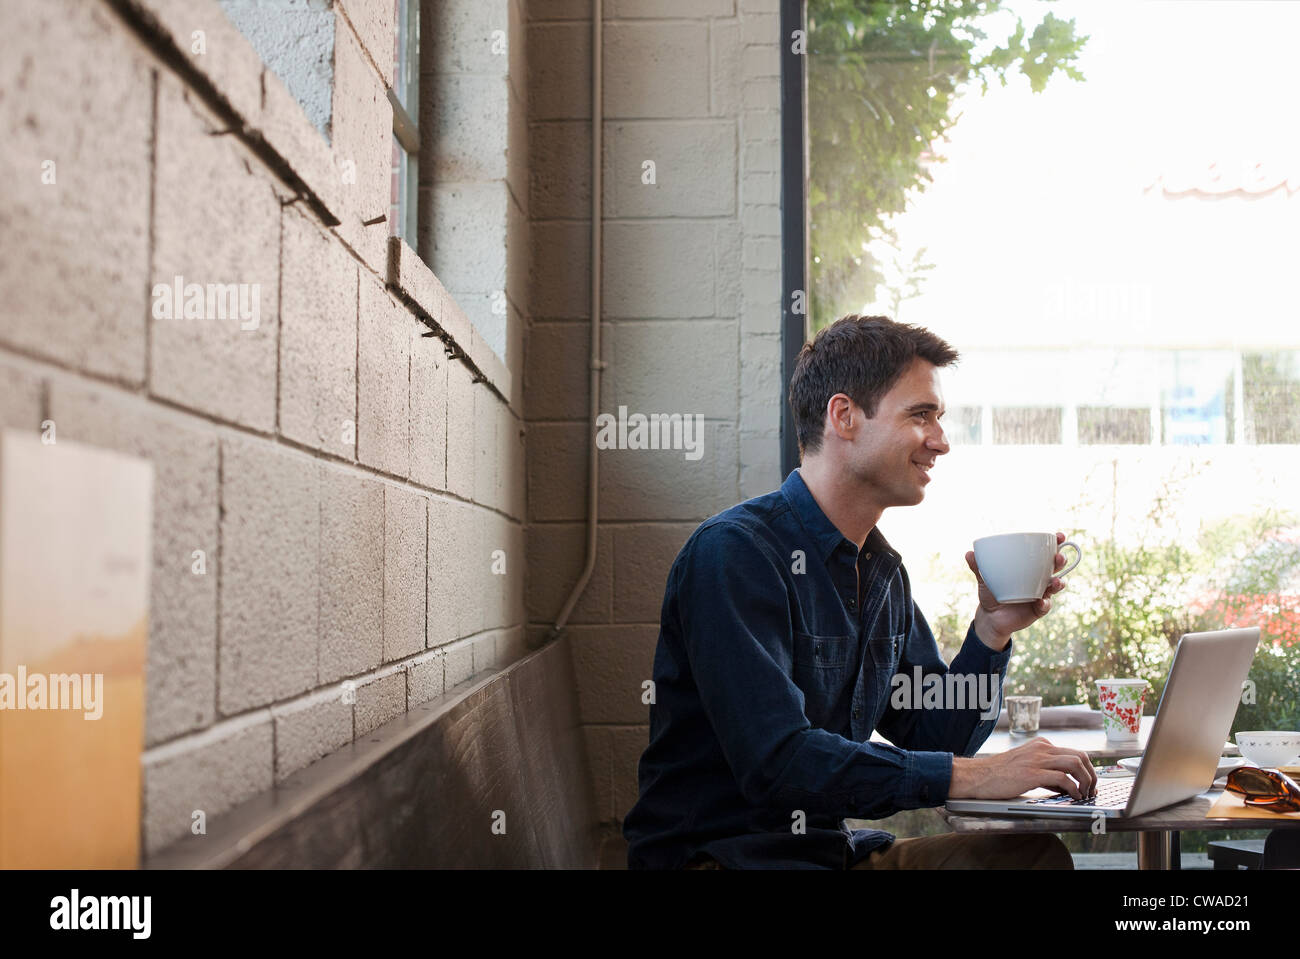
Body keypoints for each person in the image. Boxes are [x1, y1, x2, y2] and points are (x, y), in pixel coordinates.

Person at [622, 314, 1097, 870]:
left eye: (939, 419)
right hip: (725, 862)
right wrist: (970, 776)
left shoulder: (881, 572)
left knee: (1030, 858)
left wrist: (990, 632)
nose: (940, 442)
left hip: (828, 856)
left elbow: (933, 731)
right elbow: (778, 761)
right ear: (844, 416)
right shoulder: (735, 554)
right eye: (921, 416)